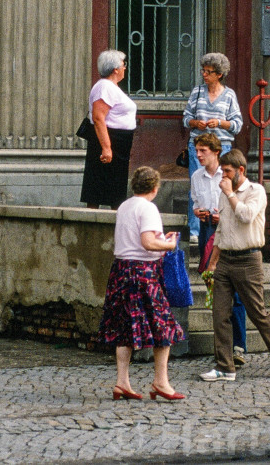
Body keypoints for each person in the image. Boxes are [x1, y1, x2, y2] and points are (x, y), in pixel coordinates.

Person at [200, 150, 270, 382]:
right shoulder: (224, 192)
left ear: (241, 170)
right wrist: (212, 262)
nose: (224, 176)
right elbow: (220, 230)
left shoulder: (255, 191)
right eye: (222, 171)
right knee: (220, 313)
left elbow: (247, 216)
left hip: (249, 259)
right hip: (225, 260)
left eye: (228, 171)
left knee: (257, 311)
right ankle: (225, 366)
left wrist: (230, 194)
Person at [97, 166, 186, 401]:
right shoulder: (148, 208)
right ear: (155, 188)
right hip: (143, 272)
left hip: (121, 269)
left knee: (124, 327)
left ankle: (122, 382)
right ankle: (161, 382)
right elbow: (147, 242)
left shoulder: (125, 206)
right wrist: (169, 244)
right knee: (162, 323)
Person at [190, 132, 248, 367]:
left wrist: (218, 214)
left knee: (234, 290)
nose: (198, 155)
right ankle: (223, 344)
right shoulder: (196, 176)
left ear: (216, 152)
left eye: (203, 151)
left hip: (226, 230)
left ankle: (239, 345)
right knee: (213, 284)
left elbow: (236, 204)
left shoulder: (227, 175)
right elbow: (195, 202)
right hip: (207, 230)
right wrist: (198, 212)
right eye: (197, 151)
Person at [183, 52, 243, 243]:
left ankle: (222, 222)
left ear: (219, 74)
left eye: (209, 72)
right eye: (203, 70)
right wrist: (195, 123)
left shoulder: (229, 95)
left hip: (222, 147)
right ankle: (195, 229)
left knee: (221, 184)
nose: (204, 75)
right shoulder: (197, 91)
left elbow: (237, 124)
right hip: (198, 146)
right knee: (197, 185)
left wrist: (220, 123)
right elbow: (185, 118)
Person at [81, 49, 137, 209]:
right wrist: (106, 148)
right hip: (109, 139)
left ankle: (114, 222)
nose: (125, 68)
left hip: (118, 141)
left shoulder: (111, 87)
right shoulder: (104, 87)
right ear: (115, 69)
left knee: (114, 187)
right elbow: (99, 118)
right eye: (123, 64)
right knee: (99, 186)